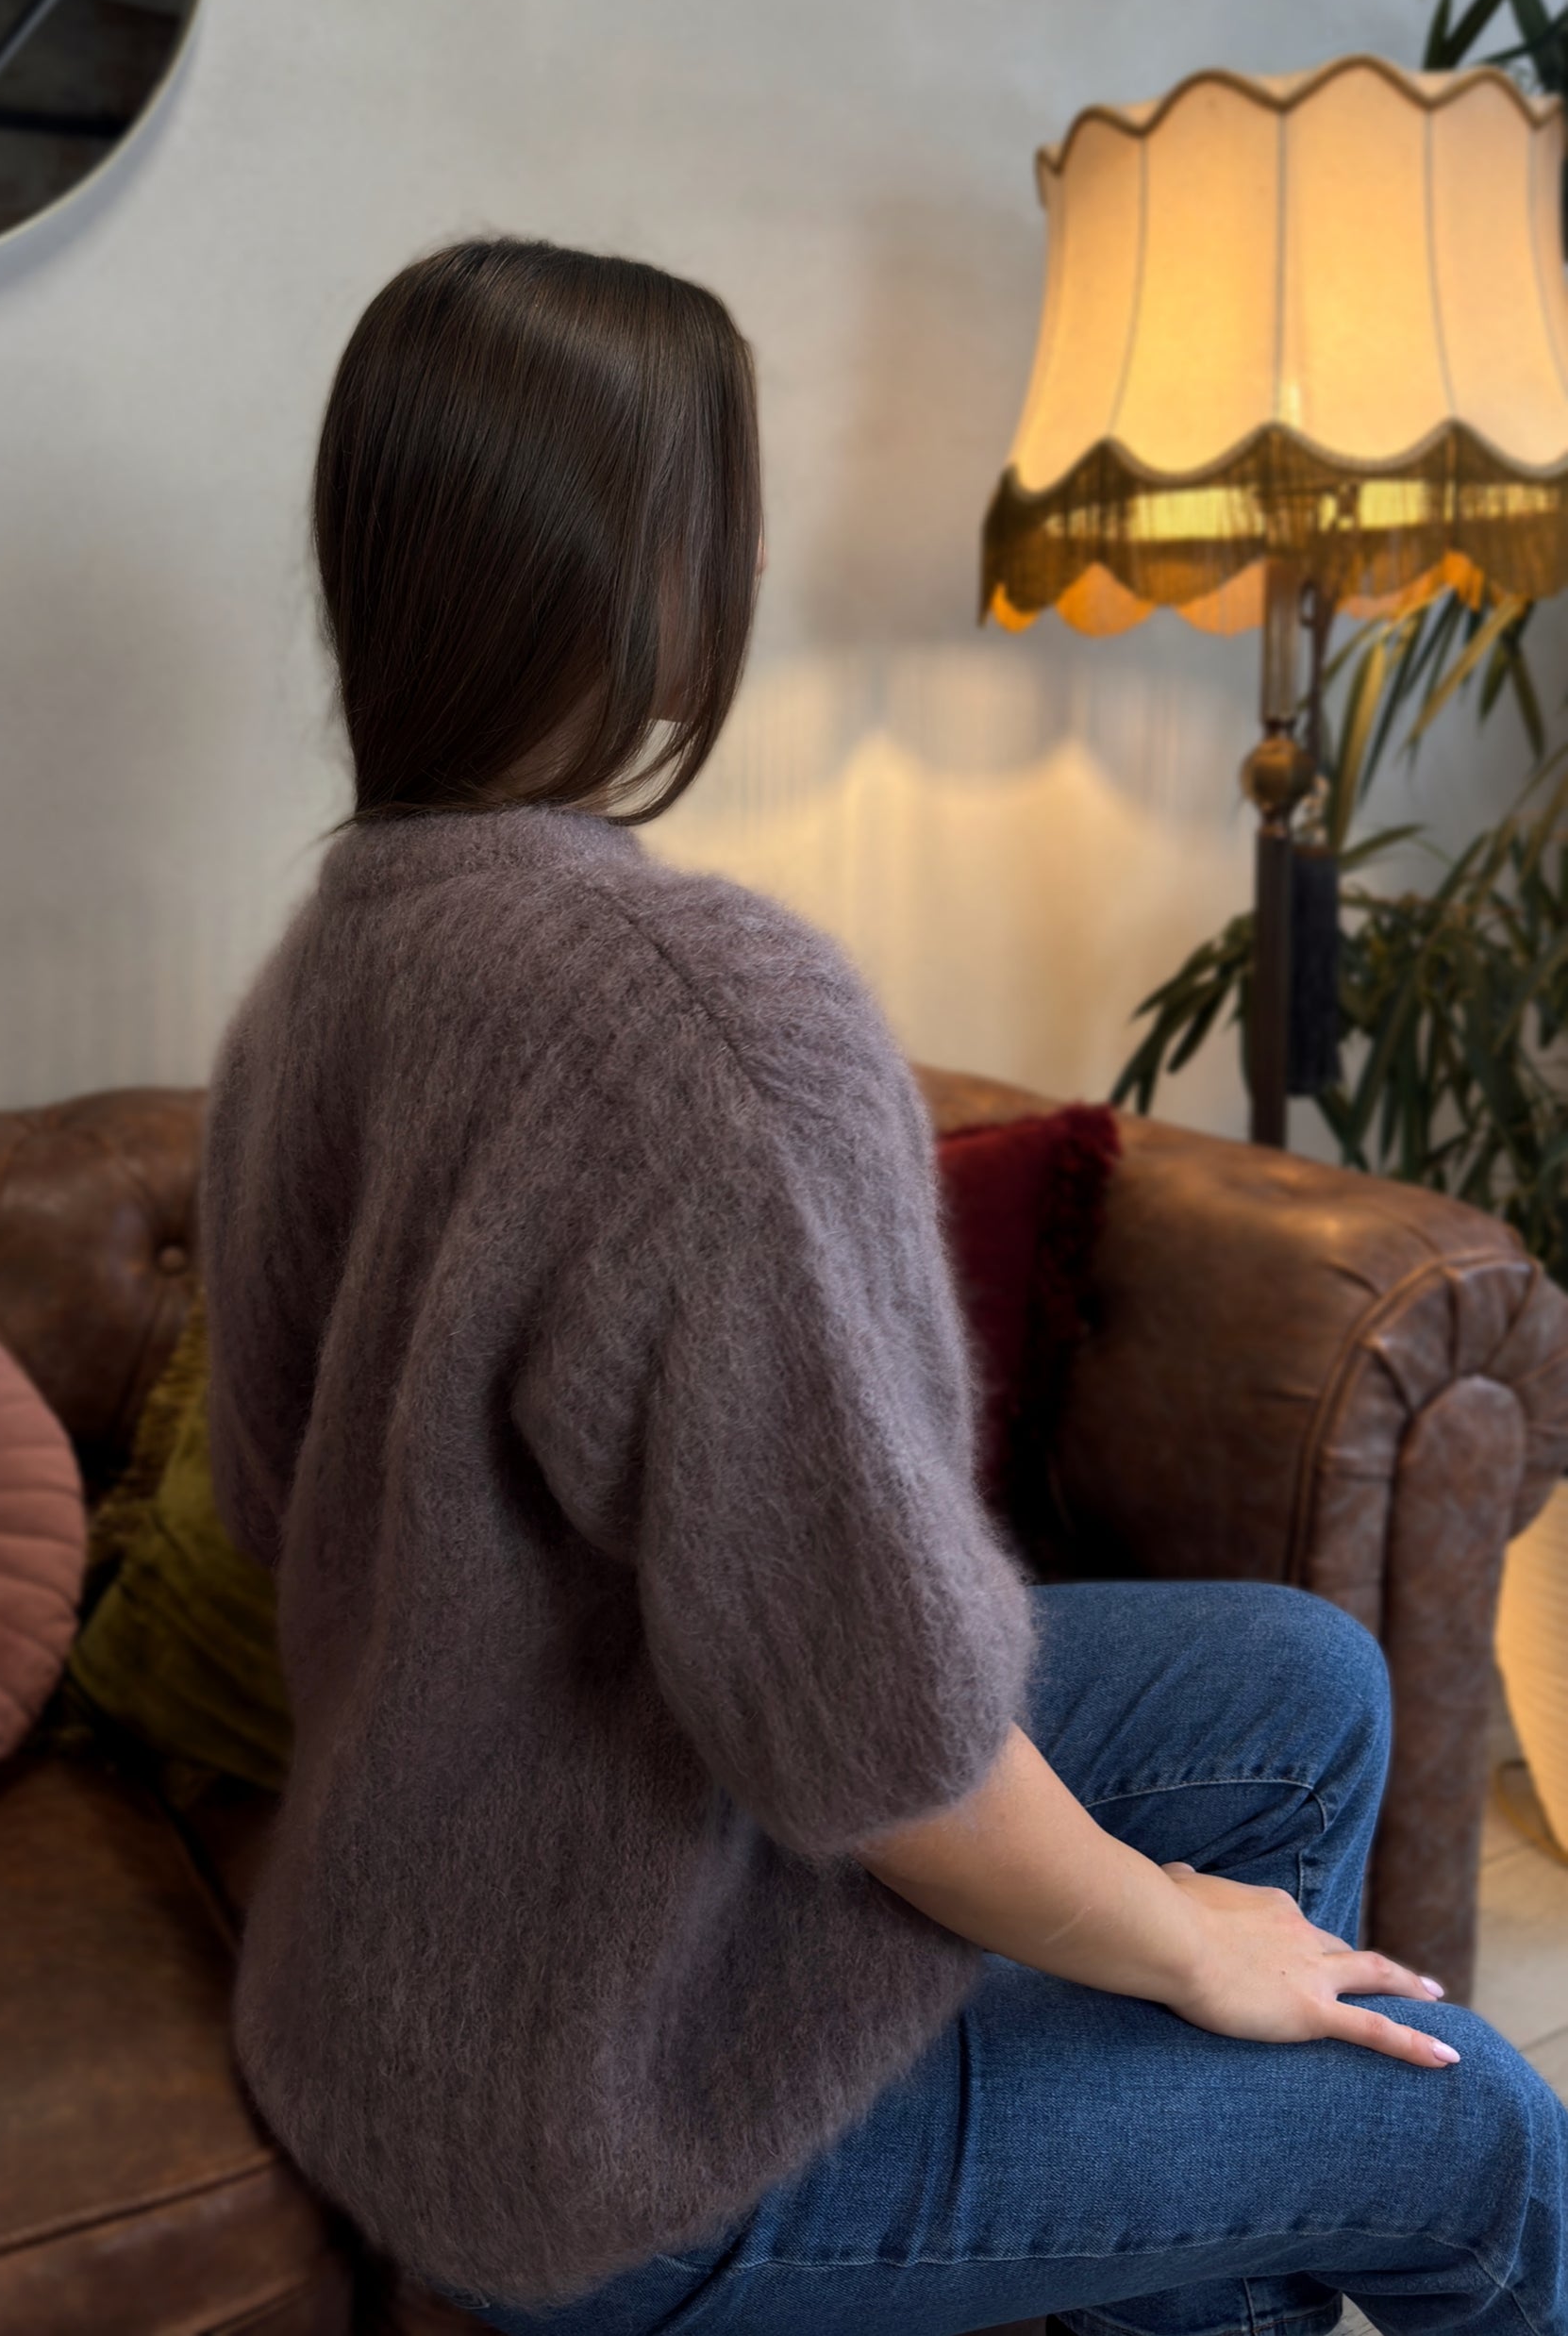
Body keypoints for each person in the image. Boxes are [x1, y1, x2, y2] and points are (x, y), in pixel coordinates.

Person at [199, 236, 1568, 2336]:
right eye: (730, 511)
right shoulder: (691, 1019)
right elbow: (886, 1744)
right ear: (659, 575)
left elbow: (279, 1509)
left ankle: (1177, 2259)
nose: (750, 562)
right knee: (1473, 2129)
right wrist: (1182, 1944)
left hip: (408, 1956)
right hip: (593, 2131)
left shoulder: (321, 969)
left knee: (1297, 1682)